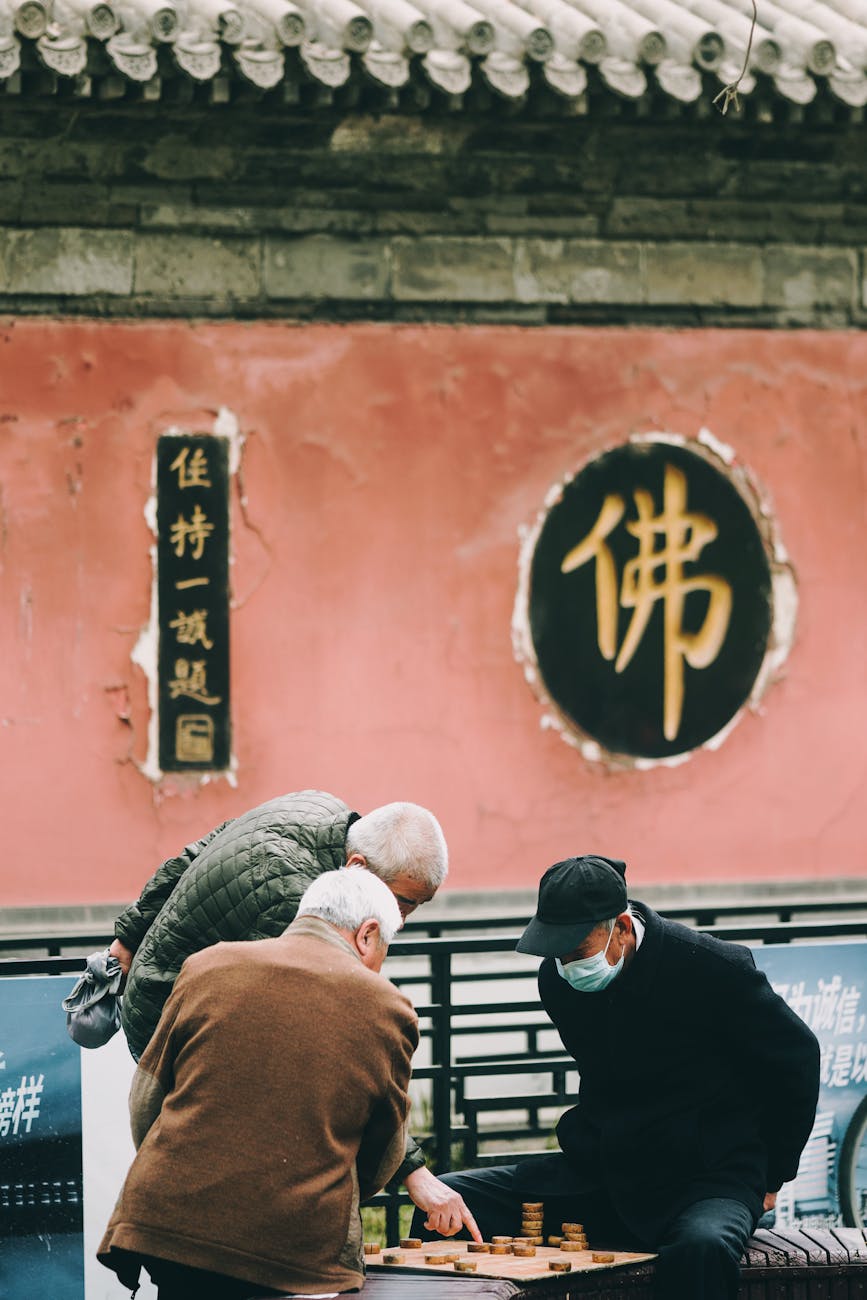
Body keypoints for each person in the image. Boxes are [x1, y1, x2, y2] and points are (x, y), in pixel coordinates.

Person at [411, 854, 821, 1300]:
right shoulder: (558, 980)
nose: (567, 965)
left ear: (622, 928)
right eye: (557, 953)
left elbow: (797, 1059)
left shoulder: (714, 967)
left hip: (709, 1178)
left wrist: (775, 1176)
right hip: (607, 1170)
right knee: (449, 1201)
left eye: (577, 951)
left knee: (701, 1248)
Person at [108, 789, 480, 1240]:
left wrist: (127, 940)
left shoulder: (317, 809)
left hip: (159, 973)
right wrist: (413, 1172)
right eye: (402, 902)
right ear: (358, 867)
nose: (402, 919)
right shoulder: (292, 904)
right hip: (166, 1010)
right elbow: (338, 1052)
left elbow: (193, 852)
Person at [98, 867, 417, 1299]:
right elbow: (384, 1153)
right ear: (367, 935)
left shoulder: (207, 965)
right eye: (384, 951)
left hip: (166, 1227)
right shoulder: (388, 1008)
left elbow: (145, 1101)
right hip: (292, 1249)